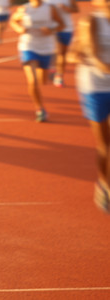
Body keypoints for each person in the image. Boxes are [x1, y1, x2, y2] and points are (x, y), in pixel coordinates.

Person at [73, 0, 110, 213]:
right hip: (94, 87)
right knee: (104, 144)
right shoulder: (92, 22)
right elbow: (96, 58)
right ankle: (104, 184)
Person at [10, 0, 64, 122]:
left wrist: (50, 30)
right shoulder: (23, 9)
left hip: (46, 48)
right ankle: (40, 109)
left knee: (42, 80)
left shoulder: (50, 8)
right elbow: (13, 21)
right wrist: (19, 28)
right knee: (32, 81)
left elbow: (61, 25)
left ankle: (50, 71)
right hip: (28, 47)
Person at [44, 0, 79, 87]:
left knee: (62, 54)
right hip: (52, 28)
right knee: (55, 50)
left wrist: (66, 8)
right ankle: (53, 69)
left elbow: (76, 9)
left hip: (66, 28)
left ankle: (59, 75)